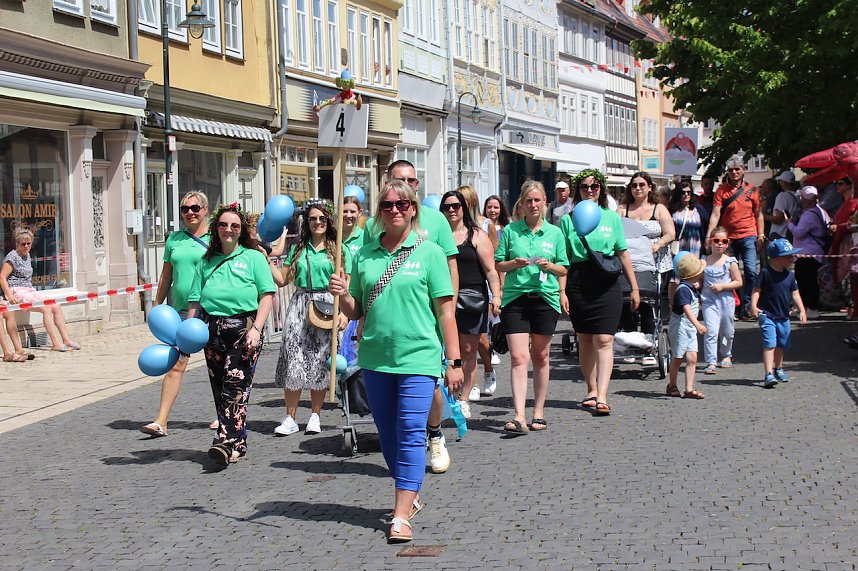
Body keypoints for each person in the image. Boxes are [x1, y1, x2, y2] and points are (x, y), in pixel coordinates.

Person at [328, 179, 463, 544]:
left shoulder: (430, 252)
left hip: (418, 356)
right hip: (375, 357)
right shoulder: (365, 254)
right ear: (380, 212)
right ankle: (410, 489)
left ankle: (401, 513)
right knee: (387, 436)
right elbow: (356, 309)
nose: (395, 211)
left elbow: (446, 313)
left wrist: (454, 361)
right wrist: (341, 295)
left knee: (409, 431)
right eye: (387, 205)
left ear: (413, 209)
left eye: (401, 204)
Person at [364, 160, 459, 474]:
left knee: (414, 419)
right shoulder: (371, 230)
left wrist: (452, 352)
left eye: (406, 191)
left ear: (415, 194)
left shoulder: (435, 227)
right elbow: (365, 284)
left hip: (424, 332)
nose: (395, 207)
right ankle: (407, 473)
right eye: (389, 202)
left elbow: (450, 275)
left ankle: (434, 435)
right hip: (380, 345)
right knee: (391, 429)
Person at [187, 202, 276, 465]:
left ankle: (224, 441)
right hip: (212, 330)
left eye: (234, 225)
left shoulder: (254, 258)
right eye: (223, 225)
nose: (229, 230)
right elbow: (195, 301)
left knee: (235, 387)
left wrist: (257, 329)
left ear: (242, 230)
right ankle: (238, 444)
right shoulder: (206, 261)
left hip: (243, 329)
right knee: (220, 388)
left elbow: (267, 295)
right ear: (216, 229)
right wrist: (189, 333)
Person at [559, 169, 638, 416]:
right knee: (584, 339)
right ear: (577, 191)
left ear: (601, 189)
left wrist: (634, 287)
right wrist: (561, 291)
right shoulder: (567, 220)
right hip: (579, 281)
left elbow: (623, 253)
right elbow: (562, 258)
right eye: (584, 187)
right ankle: (591, 388)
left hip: (607, 282)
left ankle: (603, 395)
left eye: (594, 186)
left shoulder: (612, 218)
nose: (590, 190)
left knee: (604, 339)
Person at [495, 180, 568, 432]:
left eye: (537, 200)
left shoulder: (555, 233)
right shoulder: (511, 231)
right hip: (515, 298)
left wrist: (550, 266)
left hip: (545, 298)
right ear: (522, 204)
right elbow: (498, 264)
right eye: (529, 201)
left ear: (545, 203)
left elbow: (563, 267)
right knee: (518, 356)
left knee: (541, 356)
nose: (533, 204)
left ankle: (538, 411)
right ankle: (518, 415)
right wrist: (513, 263)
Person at [273, 200, 349, 436]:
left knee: (320, 360)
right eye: (313, 218)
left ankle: (315, 415)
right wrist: (265, 258)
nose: (318, 223)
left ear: (329, 222)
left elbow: (347, 283)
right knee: (293, 357)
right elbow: (282, 279)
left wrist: (345, 312)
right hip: (300, 305)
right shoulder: (298, 247)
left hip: (327, 306)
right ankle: (290, 417)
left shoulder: (337, 249)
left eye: (322, 219)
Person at [138, 192, 210, 437]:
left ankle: (225, 418)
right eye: (184, 209)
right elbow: (166, 275)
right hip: (180, 311)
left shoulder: (218, 237)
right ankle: (161, 420)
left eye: (195, 207)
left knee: (219, 365)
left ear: (205, 210)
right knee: (176, 364)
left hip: (212, 309)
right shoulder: (174, 240)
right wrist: (157, 305)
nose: (190, 212)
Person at [440, 190, 501, 418]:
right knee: (444, 351)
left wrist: (496, 296)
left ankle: (463, 398)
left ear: (464, 208)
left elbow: (490, 271)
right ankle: (447, 395)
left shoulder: (476, 235)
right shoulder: (437, 235)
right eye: (447, 207)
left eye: (456, 206)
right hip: (443, 298)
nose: (452, 210)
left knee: (467, 350)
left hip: (471, 298)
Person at [618, 171, 674, 365]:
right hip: (627, 264)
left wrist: (658, 245)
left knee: (647, 302)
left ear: (650, 187)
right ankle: (631, 342)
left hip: (653, 262)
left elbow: (670, 233)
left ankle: (649, 343)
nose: (638, 188)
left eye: (642, 185)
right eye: (634, 185)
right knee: (626, 301)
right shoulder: (622, 209)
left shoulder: (658, 209)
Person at [1, 228, 80, 353]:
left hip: (29, 289)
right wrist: (9, 294)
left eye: (29, 243)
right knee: (46, 308)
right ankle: (55, 343)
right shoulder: (12, 257)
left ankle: (66, 340)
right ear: (17, 243)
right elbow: (2, 277)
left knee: (56, 305)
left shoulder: (27, 255)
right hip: (17, 290)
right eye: (23, 244)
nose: (26, 246)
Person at [705, 156, 764, 320]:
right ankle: (735, 307)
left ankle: (747, 305)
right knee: (731, 273)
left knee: (751, 271)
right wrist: (710, 235)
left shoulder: (752, 190)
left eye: (737, 169)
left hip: (749, 235)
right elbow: (715, 214)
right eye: (731, 170)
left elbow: (759, 214)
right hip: (728, 237)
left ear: (743, 170)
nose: (734, 172)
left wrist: (761, 234)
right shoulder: (721, 190)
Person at [457, 185, 499, 396]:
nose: (456, 207)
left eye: (462, 202)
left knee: (481, 341)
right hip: (455, 295)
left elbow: (492, 263)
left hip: (479, 293)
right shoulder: (449, 229)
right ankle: (466, 384)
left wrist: (496, 296)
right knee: (459, 346)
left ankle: (488, 370)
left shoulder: (484, 226)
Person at [750, 238, 807, 388]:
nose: (792, 259)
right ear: (776, 258)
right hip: (767, 315)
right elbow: (756, 291)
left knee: (781, 344)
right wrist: (753, 306)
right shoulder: (765, 273)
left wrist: (801, 309)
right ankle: (768, 373)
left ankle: (779, 368)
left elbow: (795, 294)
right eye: (788, 256)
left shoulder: (790, 275)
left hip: (784, 316)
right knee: (770, 344)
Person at [701, 227, 743, 374]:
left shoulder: (730, 262)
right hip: (709, 300)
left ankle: (726, 354)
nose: (719, 244)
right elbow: (699, 280)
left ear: (728, 244)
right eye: (716, 240)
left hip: (726, 300)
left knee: (727, 331)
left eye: (723, 241)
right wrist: (696, 284)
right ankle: (711, 361)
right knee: (711, 331)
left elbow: (738, 282)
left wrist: (723, 286)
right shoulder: (704, 261)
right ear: (710, 242)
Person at [666, 253, 707, 399]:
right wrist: (697, 324)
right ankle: (672, 385)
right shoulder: (683, 289)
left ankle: (689, 388)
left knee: (692, 358)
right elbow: (686, 308)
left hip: (689, 326)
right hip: (681, 326)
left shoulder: (691, 287)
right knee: (678, 356)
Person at [786, 185, 830, 319]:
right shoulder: (820, 211)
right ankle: (806, 307)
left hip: (807, 253)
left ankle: (810, 308)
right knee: (809, 281)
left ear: (807, 200)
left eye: (802, 197)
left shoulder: (809, 215)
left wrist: (789, 223)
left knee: (806, 282)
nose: (800, 199)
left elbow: (798, 233)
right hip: (813, 252)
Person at [829, 178, 858, 319]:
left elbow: (854, 223)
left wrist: (838, 227)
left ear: (849, 185)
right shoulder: (845, 203)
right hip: (842, 243)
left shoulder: (854, 202)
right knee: (847, 276)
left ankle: (854, 307)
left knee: (852, 275)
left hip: (852, 243)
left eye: (840, 183)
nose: (837, 185)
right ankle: (852, 306)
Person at [668, 179, 708, 259]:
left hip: (696, 249)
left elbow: (705, 226)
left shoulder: (699, 209)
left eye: (689, 192)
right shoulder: (672, 211)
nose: (686, 194)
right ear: (678, 194)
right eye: (683, 192)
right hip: (678, 249)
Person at [766, 172, 801, 240]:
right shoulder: (798, 196)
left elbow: (778, 219)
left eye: (781, 181)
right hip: (791, 234)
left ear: (784, 182)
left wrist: (763, 216)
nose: (780, 183)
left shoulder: (782, 196)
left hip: (779, 234)